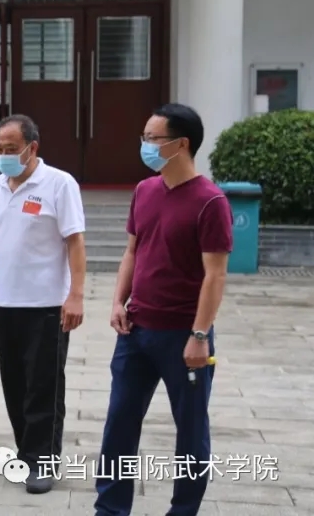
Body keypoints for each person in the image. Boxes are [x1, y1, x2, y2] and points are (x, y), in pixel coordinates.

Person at [94, 104, 232, 516]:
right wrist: (118, 301)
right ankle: (110, 508)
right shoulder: (145, 191)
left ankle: (183, 510)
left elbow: (215, 275)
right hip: (136, 331)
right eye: (145, 138)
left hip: (183, 336)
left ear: (181, 144)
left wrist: (200, 335)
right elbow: (132, 252)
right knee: (119, 423)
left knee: (191, 430)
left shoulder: (210, 202)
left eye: (153, 139)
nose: (146, 146)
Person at [0, 114, 86, 495]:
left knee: (44, 387)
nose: (3, 155)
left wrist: (76, 295)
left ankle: (43, 461)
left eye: (11, 149)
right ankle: (28, 451)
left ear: (32, 148)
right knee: (15, 385)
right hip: (8, 303)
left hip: (47, 305)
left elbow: (75, 242)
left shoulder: (59, 184)